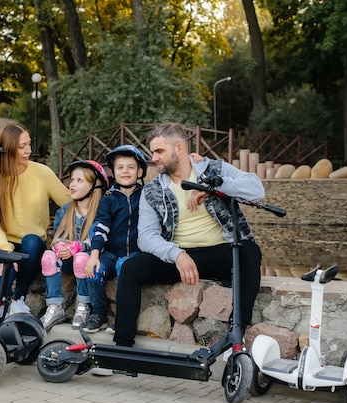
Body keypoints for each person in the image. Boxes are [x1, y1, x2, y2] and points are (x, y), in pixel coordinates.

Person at [113, 122, 265, 347]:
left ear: (179, 149)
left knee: (250, 251)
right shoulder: (152, 190)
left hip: (220, 253)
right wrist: (176, 254)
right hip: (179, 256)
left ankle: (236, 333)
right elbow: (145, 236)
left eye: (159, 151)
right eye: (153, 152)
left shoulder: (214, 169)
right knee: (131, 268)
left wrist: (214, 187)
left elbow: (256, 189)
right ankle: (122, 345)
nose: (154, 157)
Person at [0, 121, 71, 321]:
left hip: (33, 247)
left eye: (29, 144)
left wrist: (96, 193)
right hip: (4, 243)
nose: (29, 150)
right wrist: (4, 249)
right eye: (22, 146)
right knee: (5, 272)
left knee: (31, 240)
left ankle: (18, 298)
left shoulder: (42, 173)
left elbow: (69, 202)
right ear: (7, 148)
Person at [82, 145, 147, 333]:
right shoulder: (109, 198)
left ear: (140, 171)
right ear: (114, 171)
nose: (125, 171)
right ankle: (98, 313)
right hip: (110, 252)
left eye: (131, 167)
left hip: (135, 252)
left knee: (124, 268)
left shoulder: (145, 196)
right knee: (95, 269)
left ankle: (122, 318)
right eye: (120, 167)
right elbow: (101, 227)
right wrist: (94, 255)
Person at [40, 160, 109, 331]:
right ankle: (55, 307)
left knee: (80, 258)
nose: (72, 184)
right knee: (48, 257)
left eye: (79, 181)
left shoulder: (101, 211)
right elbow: (57, 238)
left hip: (87, 260)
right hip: (67, 260)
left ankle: (83, 305)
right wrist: (60, 247)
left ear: (95, 185)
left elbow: (100, 240)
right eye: (72, 180)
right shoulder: (64, 211)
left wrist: (79, 246)